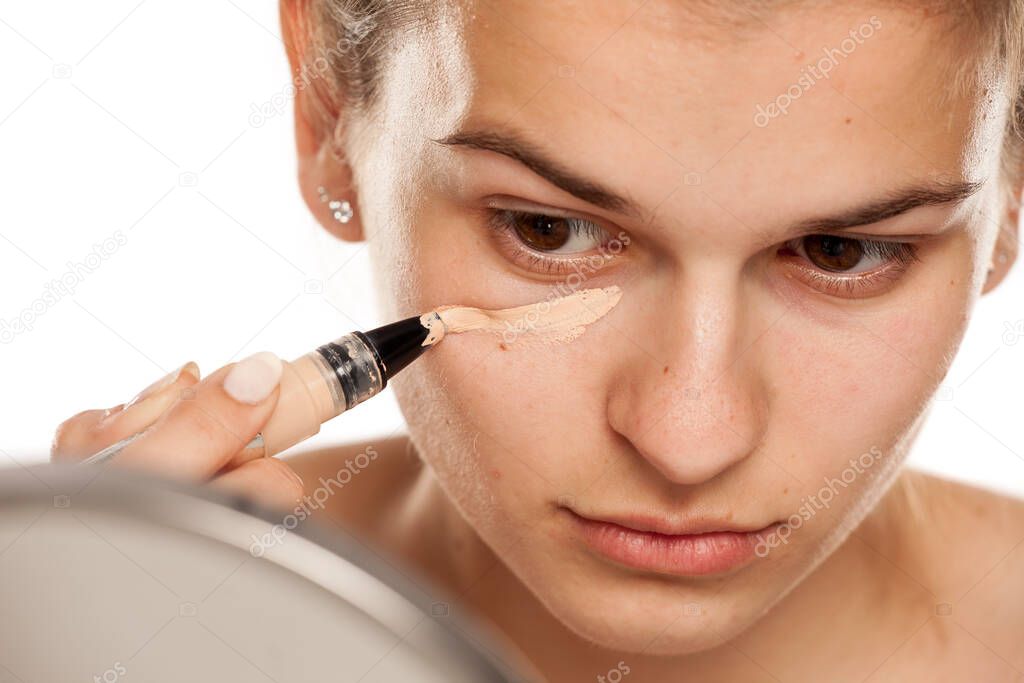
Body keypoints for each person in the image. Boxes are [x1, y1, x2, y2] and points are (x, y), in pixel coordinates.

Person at [53, 1, 1024, 679]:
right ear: (327, 114)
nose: (688, 438)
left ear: (1010, 192)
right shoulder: (99, 622)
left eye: (840, 250)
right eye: (546, 230)